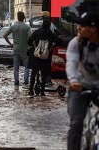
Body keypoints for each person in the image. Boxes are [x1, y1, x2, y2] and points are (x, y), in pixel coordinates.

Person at [66, 12, 99, 150]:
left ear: (93, 29)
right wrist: (73, 81)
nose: (78, 28)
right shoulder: (76, 42)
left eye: (82, 25)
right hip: (79, 88)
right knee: (76, 123)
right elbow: (71, 63)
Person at [27, 19, 62, 96]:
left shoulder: (36, 32)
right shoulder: (51, 34)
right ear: (49, 26)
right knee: (44, 74)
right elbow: (59, 41)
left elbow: (29, 42)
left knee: (33, 73)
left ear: (42, 24)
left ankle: (30, 90)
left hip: (35, 56)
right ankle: (42, 91)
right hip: (46, 57)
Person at [3, 12, 32, 90]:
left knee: (16, 67)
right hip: (25, 49)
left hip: (15, 48)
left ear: (17, 17)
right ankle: (26, 81)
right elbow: (31, 37)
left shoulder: (13, 26)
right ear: (24, 17)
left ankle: (16, 82)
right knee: (27, 66)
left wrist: (10, 44)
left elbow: (4, 35)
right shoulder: (27, 27)